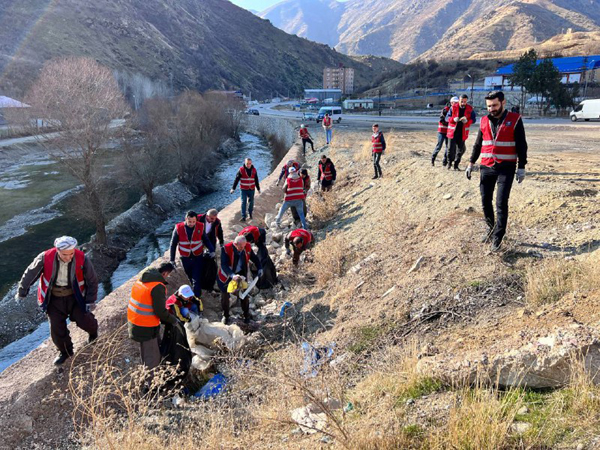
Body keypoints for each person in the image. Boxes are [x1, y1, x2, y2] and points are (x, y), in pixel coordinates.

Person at [16, 236, 98, 365]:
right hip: (53, 299)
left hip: (75, 297)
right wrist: (22, 291)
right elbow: (30, 273)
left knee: (85, 320)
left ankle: (93, 333)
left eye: (71, 254)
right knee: (56, 328)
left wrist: (90, 301)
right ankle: (66, 352)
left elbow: (92, 280)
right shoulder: (45, 257)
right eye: (65, 254)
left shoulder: (82, 258)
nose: (69, 257)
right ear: (57, 250)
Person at [465, 90, 528, 251]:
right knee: (485, 201)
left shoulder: (514, 120)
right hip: (486, 166)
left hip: (506, 167)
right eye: (489, 106)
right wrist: (471, 163)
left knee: (501, 203)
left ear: (503, 103)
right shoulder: (484, 120)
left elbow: (522, 144)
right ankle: (491, 228)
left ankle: (498, 238)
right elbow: (478, 144)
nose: (491, 109)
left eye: (494, 105)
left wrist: (521, 167)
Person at [128, 262, 178, 369]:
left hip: (135, 323)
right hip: (145, 327)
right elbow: (160, 311)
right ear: (164, 273)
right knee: (152, 359)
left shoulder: (142, 280)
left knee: (148, 353)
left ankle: (153, 374)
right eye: (168, 275)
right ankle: (151, 383)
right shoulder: (157, 287)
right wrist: (173, 320)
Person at [217, 236, 263, 324]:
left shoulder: (247, 247)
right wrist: (232, 275)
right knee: (225, 297)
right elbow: (224, 265)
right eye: (241, 247)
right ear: (235, 244)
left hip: (241, 275)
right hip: (227, 276)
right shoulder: (226, 249)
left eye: (244, 246)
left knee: (244, 295)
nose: (243, 249)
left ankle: (246, 315)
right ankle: (226, 315)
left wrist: (260, 268)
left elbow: (255, 258)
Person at [169, 211, 215, 297]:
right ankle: (195, 291)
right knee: (190, 276)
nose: (192, 224)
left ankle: (197, 299)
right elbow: (173, 244)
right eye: (190, 221)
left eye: (194, 222)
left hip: (198, 256)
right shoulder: (179, 228)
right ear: (186, 219)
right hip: (185, 258)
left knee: (196, 278)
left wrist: (212, 250)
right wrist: (172, 260)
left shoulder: (200, 226)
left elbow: (206, 240)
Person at [446, 94, 477, 171]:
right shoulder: (453, 107)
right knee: (450, 149)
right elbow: (447, 118)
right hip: (452, 132)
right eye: (462, 101)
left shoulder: (470, 109)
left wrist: (467, 121)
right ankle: (449, 163)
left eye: (465, 102)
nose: (463, 103)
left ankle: (456, 165)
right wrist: (453, 119)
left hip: (462, 133)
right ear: (459, 100)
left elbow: (474, 119)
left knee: (460, 150)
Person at [431, 98, 456, 166]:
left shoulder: (455, 110)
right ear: (451, 103)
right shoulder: (445, 110)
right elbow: (442, 120)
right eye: (455, 102)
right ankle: (433, 158)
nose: (456, 104)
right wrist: (451, 122)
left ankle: (445, 162)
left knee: (448, 147)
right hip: (442, 131)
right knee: (439, 146)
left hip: (448, 132)